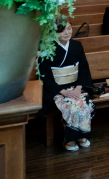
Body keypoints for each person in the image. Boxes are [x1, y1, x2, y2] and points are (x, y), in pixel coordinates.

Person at [38, 19, 95, 152]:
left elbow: (84, 69)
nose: (67, 32)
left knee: (83, 102)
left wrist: (79, 87)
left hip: (76, 86)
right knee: (71, 105)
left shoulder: (77, 45)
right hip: (57, 89)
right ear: (53, 33)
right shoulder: (47, 48)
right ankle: (69, 139)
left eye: (69, 28)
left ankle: (82, 136)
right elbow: (44, 76)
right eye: (61, 30)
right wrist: (63, 91)